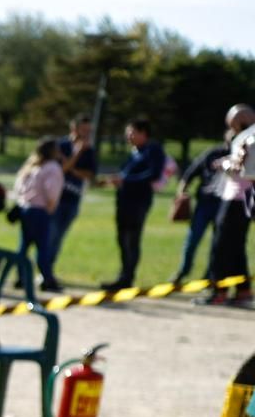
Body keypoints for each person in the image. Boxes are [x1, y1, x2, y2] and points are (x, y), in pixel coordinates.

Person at [100, 117, 166, 291]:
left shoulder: (152, 150)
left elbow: (153, 174)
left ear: (143, 133)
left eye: (132, 132)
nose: (128, 136)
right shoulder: (134, 152)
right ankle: (123, 276)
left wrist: (125, 180)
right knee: (122, 239)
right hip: (123, 201)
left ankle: (127, 278)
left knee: (131, 239)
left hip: (138, 202)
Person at [200, 104, 255, 307]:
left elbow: (243, 169)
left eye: (233, 125)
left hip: (236, 198)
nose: (232, 130)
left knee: (221, 247)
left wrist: (224, 164)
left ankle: (219, 292)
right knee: (236, 247)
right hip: (245, 199)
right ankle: (243, 291)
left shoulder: (248, 138)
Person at [172, 134, 231, 285]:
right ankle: (183, 271)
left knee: (216, 243)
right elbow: (190, 173)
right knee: (192, 239)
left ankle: (209, 275)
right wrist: (182, 192)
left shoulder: (242, 155)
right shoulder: (212, 153)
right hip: (204, 204)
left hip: (225, 205)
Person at [11, 136, 64, 292]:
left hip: (25, 208)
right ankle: (47, 278)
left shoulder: (32, 166)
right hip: (40, 210)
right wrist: (51, 207)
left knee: (24, 246)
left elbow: (19, 187)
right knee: (43, 247)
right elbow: (51, 191)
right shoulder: (52, 167)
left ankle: (20, 277)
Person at [49, 115, 96, 276]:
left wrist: (73, 169)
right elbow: (60, 170)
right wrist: (76, 154)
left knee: (59, 238)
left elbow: (90, 174)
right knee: (49, 237)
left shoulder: (89, 149)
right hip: (55, 199)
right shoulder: (60, 145)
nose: (87, 134)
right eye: (84, 130)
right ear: (74, 128)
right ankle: (43, 272)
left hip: (73, 200)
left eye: (89, 131)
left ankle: (48, 272)